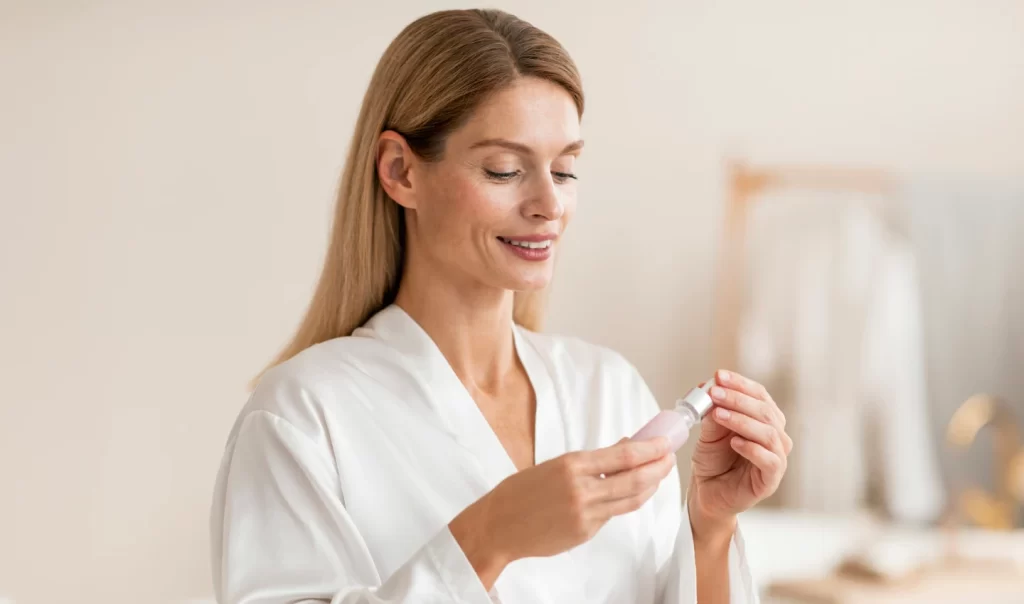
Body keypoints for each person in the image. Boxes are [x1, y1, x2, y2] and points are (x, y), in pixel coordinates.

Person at [210, 8, 792, 604]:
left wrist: (711, 528)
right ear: (400, 170)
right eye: (505, 170)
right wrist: (489, 537)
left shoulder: (607, 390)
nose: (549, 204)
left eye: (565, 170)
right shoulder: (303, 415)